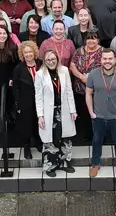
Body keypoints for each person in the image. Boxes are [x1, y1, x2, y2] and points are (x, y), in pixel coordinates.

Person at [86, 49, 116, 179]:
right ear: (100, 60)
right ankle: (95, 164)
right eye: (104, 59)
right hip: (98, 116)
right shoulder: (93, 74)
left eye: (110, 59)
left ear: (115, 60)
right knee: (96, 140)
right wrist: (91, 113)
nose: (107, 61)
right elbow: (88, 93)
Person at [35, 49, 79, 177]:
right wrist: (40, 116)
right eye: (48, 60)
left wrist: (73, 110)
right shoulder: (39, 74)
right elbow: (38, 97)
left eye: (53, 59)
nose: (51, 62)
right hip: (50, 111)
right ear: (44, 61)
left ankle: (64, 163)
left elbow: (69, 91)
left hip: (64, 109)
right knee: (50, 139)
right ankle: (50, 166)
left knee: (65, 137)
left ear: (57, 59)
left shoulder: (64, 71)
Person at [68, 29, 103, 141]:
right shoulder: (79, 51)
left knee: (97, 112)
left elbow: (107, 67)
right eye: (88, 38)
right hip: (80, 88)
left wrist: (90, 79)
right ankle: (85, 135)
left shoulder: (103, 52)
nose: (91, 41)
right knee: (83, 113)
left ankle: (98, 135)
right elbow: (72, 66)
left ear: (98, 40)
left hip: (97, 89)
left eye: (93, 38)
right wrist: (81, 77)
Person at [12, 41, 43, 158]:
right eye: (26, 52)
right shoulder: (18, 68)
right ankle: (26, 146)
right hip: (25, 101)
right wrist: (18, 104)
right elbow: (16, 87)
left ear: (34, 52)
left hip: (41, 100)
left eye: (30, 51)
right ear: (22, 54)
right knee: (26, 124)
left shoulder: (41, 64)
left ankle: (38, 142)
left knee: (39, 122)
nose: (28, 54)